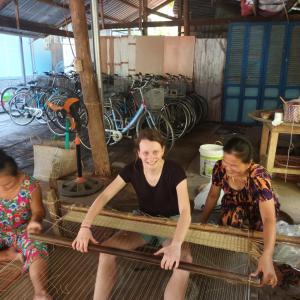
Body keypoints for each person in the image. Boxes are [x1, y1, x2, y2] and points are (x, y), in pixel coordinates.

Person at [72, 129, 191, 300]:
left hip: (171, 222)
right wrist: (85, 226)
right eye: (146, 152)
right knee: (106, 251)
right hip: (143, 218)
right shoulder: (132, 169)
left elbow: (185, 211)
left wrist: (176, 244)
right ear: (138, 153)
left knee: (184, 262)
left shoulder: (175, 171)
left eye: (156, 151)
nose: (151, 157)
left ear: (163, 150)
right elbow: (105, 195)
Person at [200, 136, 280, 288]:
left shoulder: (258, 177)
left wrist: (267, 254)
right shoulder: (219, 168)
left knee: (262, 239)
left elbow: (269, 218)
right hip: (234, 202)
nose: (228, 169)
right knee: (230, 221)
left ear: (249, 163)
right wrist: (202, 222)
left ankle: (266, 261)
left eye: (234, 165)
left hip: (259, 207)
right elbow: (212, 195)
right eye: (225, 162)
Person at [0, 149, 51, 300]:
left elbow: (39, 211)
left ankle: (40, 292)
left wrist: (35, 221)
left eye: (8, 184)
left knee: (37, 249)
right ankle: (7, 255)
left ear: (16, 174)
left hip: (23, 230)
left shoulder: (30, 184)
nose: (3, 189)